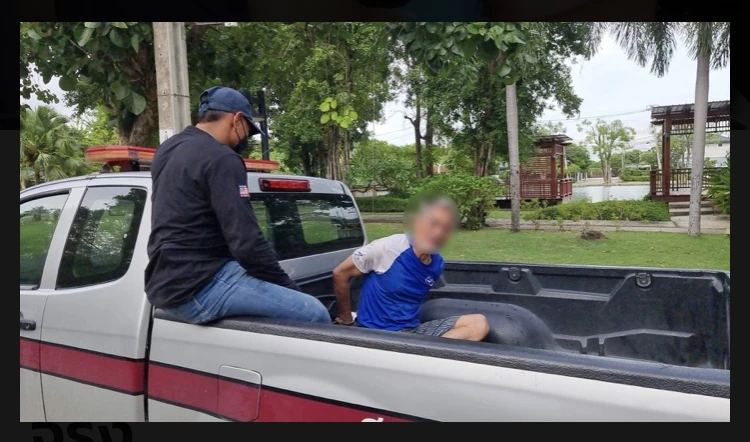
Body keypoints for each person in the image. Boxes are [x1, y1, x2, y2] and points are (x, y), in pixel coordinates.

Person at [145, 86, 330, 325]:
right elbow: (246, 241)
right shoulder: (222, 158)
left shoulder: (167, 149)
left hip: (165, 281)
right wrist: (288, 287)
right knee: (315, 313)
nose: (245, 138)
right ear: (237, 119)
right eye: (248, 131)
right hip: (199, 285)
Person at [332, 196, 489, 341]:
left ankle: (425, 353)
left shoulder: (437, 264)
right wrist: (347, 319)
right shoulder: (387, 248)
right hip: (376, 335)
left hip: (412, 335)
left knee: (478, 323)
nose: (438, 233)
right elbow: (340, 273)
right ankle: (425, 354)